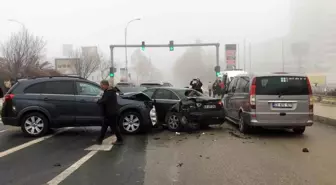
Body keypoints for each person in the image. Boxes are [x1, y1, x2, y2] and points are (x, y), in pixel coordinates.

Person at [96, 80, 123, 145]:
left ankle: (120, 140)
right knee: (105, 126)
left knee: (114, 127)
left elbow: (104, 100)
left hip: (111, 113)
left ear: (106, 85)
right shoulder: (108, 91)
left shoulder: (109, 92)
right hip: (109, 112)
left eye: (102, 85)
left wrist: (98, 101)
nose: (101, 87)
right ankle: (99, 140)